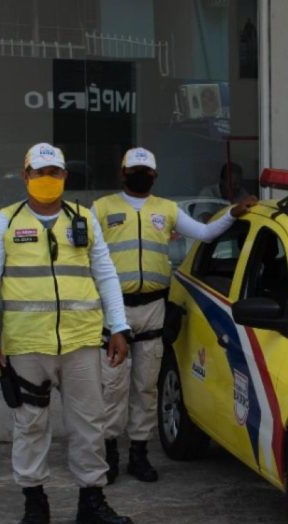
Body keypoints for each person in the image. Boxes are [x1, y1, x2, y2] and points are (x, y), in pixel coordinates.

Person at [0, 142, 133, 524]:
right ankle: (34, 501)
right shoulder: (5, 223)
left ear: (65, 176)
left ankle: (91, 500)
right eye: (40, 173)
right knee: (29, 424)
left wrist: (119, 326)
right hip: (27, 344)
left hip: (80, 342)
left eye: (55, 173)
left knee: (89, 423)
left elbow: (106, 274)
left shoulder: (83, 219)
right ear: (26, 175)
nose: (48, 180)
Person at [91, 148, 257, 483]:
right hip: (114, 310)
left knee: (146, 386)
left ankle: (138, 453)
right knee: (113, 388)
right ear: (123, 174)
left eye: (146, 171)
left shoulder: (165, 209)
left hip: (153, 307)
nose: (140, 175)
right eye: (135, 170)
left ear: (154, 176)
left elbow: (206, 233)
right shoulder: (101, 208)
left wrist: (233, 214)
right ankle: (108, 453)